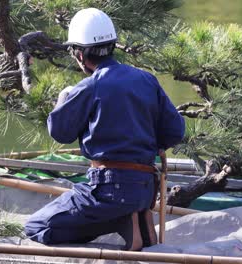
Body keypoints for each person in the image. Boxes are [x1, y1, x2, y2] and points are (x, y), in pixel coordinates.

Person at [24, 8, 185, 251]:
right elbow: (175, 131)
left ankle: (119, 219)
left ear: (79, 53)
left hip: (107, 190)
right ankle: (132, 218)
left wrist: (63, 98)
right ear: (111, 46)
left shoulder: (89, 86)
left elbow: (61, 133)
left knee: (37, 227)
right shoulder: (146, 79)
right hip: (144, 190)